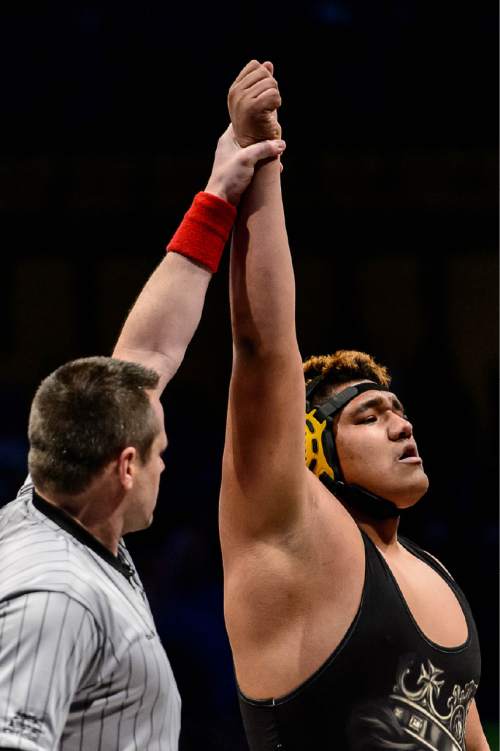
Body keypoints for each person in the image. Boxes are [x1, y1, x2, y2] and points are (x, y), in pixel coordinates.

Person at [220, 59, 490, 750]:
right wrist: (262, 161)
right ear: (311, 446)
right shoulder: (288, 537)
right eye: (368, 414)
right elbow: (263, 346)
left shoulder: (435, 574)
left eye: (399, 410)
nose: (401, 424)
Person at [0, 126, 285, 751]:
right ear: (126, 465)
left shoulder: (49, 500)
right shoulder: (55, 596)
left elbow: (147, 352)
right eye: (161, 454)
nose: (166, 466)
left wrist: (217, 192)